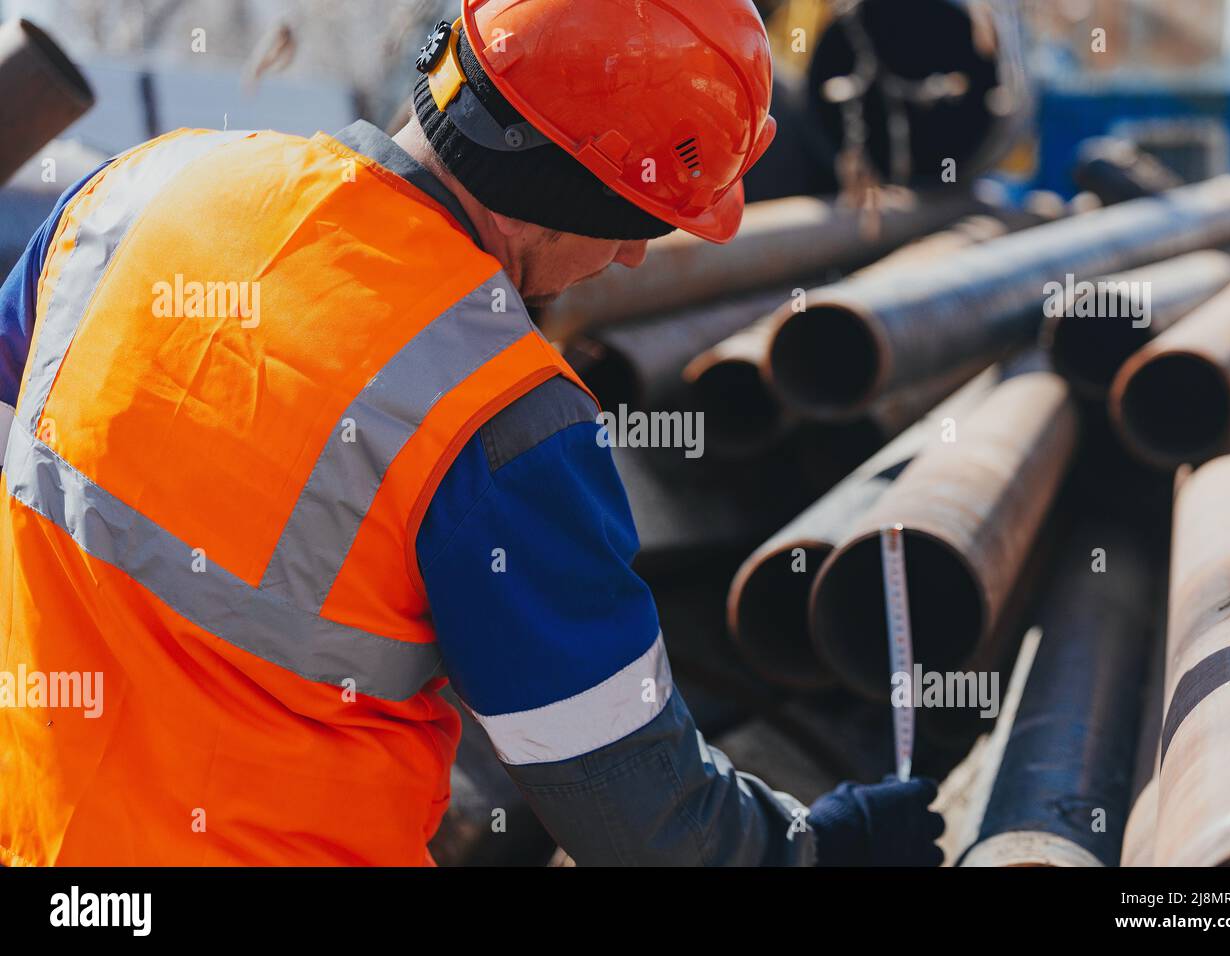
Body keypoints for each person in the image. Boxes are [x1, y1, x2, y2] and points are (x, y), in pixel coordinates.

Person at [0, 0, 942, 866]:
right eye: (632, 216)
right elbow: (632, 809)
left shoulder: (133, 192)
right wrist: (816, 849)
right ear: (569, 182)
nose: (631, 255)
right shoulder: (502, 413)